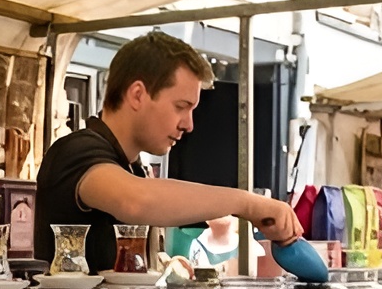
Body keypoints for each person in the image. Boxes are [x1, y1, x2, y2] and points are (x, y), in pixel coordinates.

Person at [34, 31, 300, 272]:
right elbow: (136, 201)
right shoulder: (76, 152)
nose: (189, 124)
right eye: (180, 107)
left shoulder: (134, 168)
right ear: (137, 95)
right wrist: (247, 203)